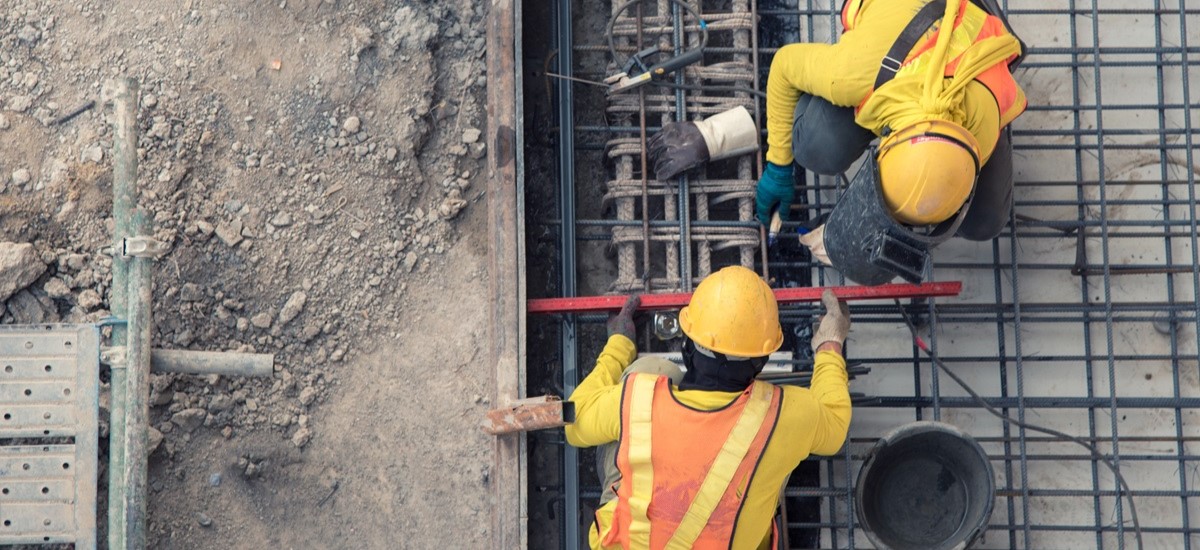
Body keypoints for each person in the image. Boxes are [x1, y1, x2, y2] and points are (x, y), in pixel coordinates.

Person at [648, 0, 1026, 284]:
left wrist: (849, 234)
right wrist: (779, 164)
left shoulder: (985, 119)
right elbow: (783, 67)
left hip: (970, 50)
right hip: (897, 40)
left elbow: (929, 194)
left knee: (985, 222)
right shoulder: (853, 72)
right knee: (816, 144)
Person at [566, 266, 852, 549]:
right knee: (776, 448)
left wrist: (618, 344)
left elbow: (575, 423)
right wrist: (830, 343)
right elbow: (835, 424)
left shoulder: (637, 400)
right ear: (762, 362)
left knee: (650, 369)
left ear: (686, 348)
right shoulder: (786, 415)